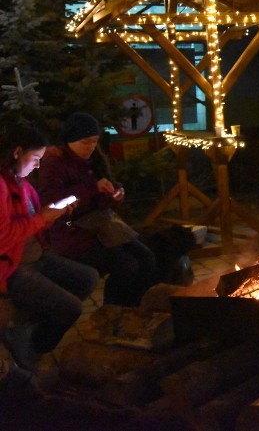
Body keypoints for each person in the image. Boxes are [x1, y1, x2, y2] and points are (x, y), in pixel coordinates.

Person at [1, 124, 99, 374]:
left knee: (88, 278)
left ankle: (33, 332)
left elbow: (37, 213)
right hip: (12, 266)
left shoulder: (20, 181)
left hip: (37, 254)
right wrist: (45, 218)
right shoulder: (3, 185)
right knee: (72, 308)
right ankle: (31, 348)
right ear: (16, 152)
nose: (38, 165)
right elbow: (5, 236)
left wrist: (58, 213)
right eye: (35, 158)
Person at [37, 112, 156, 307]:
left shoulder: (95, 160)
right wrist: (93, 189)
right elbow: (53, 202)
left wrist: (114, 194)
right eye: (85, 142)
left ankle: (133, 307)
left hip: (100, 226)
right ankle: (111, 312)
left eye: (94, 142)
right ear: (70, 140)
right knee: (126, 265)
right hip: (72, 230)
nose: (90, 147)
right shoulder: (55, 162)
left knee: (146, 257)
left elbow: (103, 191)